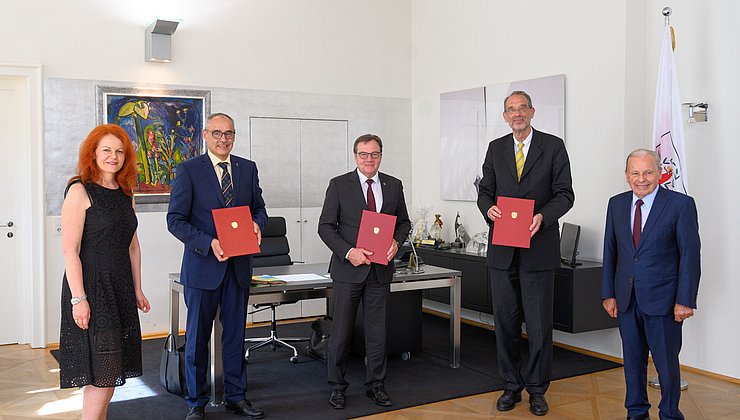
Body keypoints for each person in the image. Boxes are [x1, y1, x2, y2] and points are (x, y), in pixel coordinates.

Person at [476, 91, 574, 416]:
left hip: (539, 250)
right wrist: (488, 208)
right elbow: (485, 192)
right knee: (504, 323)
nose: (517, 114)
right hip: (503, 253)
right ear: (505, 116)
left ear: (533, 112)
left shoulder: (554, 146)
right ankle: (510, 386)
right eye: (511, 110)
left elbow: (565, 195)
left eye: (522, 109)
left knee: (539, 324)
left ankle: (537, 390)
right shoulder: (495, 148)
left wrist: (543, 217)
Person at [167, 113, 267, 420]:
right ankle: (196, 400)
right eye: (217, 133)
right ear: (206, 136)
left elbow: (259, 208)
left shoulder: (246, 168)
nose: (224, 139)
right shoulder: (189, 170)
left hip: (238, 268)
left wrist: (257, 224)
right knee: (197, 337)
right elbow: (175, 220)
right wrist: (209, 243)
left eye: (229, 134)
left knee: (236, 335)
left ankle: (236, 396)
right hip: (203, 268)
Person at [59, 124, 151, 419]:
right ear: (93, 154)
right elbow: (69, 250)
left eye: (120, 151)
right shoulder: (79, 190)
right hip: (92, 292)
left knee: (110, 373)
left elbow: (132, 246)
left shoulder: (126, 193)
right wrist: (78, 299)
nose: (114, 156)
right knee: (102, 374)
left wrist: (137, 289)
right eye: (107, 150)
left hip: (120, 289)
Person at [602, 149, 700, 420]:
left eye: (647, 172)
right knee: (632, 362)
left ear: (659, 173)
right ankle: (636, 413)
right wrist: (608, 293)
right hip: (626, 299)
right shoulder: (616, 204)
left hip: (665, 302)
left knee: (666, 364)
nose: (641, 179)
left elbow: (690, 255)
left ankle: (669, 413)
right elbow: (610, 251)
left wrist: (685, 299)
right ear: (626, 175)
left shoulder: (680, 205)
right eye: (635, 173)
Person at [318, 134, 411, 410]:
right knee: (341, 332)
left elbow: (403, 222)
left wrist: (397, 241)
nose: (369, 159)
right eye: (363, 154)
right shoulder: (338, 185)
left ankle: (376, 386)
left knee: (377, 332)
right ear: (355, 156)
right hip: (349, 269)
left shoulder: (393, 185)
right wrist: (349, 252)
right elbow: (325, 227)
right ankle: (337, 386)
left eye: (374, 154)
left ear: (381, 155)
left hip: (380, 271)